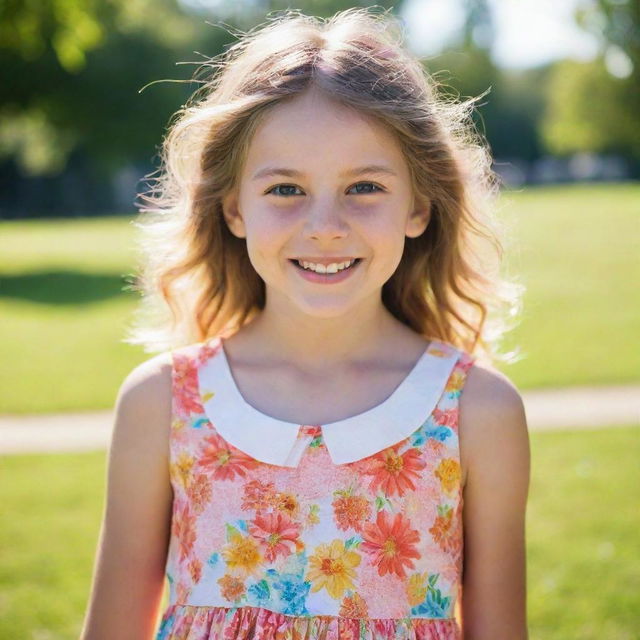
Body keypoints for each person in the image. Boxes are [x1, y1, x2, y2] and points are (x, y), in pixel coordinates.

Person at [80, 7, 530, 639]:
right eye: (286, 189)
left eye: (364, 187)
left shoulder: (477, 411)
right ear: (234, 209)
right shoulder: (162, 403)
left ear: (420, 205)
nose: (325, 225)